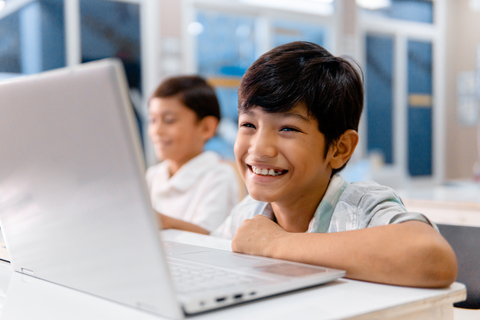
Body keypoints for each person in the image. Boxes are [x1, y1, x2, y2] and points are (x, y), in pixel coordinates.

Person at [159, 42, 458, 288]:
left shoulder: (361, 206)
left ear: (340, 149)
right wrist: (167, 224)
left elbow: (432, 258)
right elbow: (220, 247)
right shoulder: (249, 211)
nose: (259, 148)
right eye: (248, 124)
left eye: (288, 128)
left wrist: (276, 245)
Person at [147, 75, 239, 232]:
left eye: (169, 120)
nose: (157, 130)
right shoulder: (153, 175)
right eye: (153, 120)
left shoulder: (219, 176)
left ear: (206, 128)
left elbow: (211, 236)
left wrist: (162, 222)